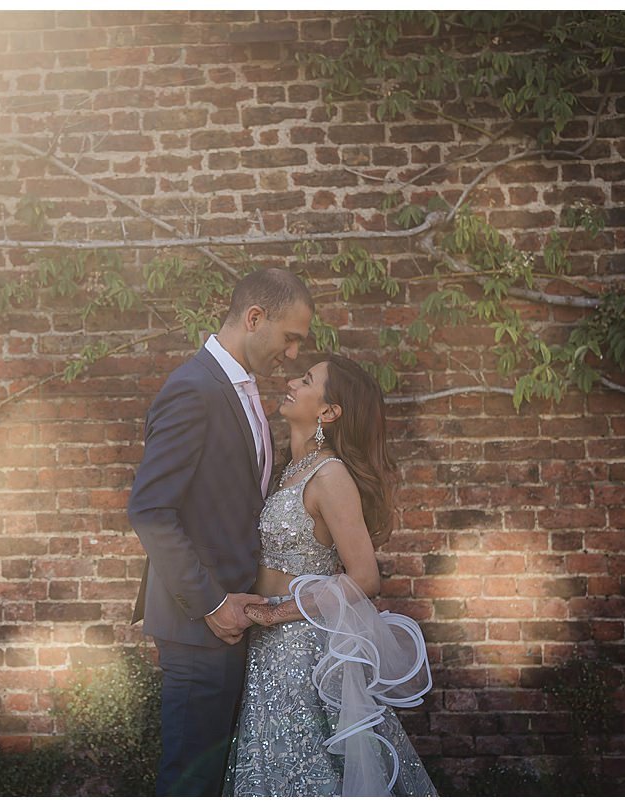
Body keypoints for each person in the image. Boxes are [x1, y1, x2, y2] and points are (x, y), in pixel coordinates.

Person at [127, 268, 314, 796]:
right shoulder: (193, 388)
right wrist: (212, 604)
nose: (294, 353)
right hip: (198, 627)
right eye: (290, 337)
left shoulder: (240, 390)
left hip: (232, 624)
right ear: (255, 318)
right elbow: (149, 510)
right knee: (190, 782)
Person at [225, 355, 438, 797]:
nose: (290, 383)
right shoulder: (288, 469)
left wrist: (273, 613)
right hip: (267, 648)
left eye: (305, 381)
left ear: (329, 412)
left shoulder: (331, 475)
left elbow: (364, 578)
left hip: (302, 649)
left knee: (307, 773)